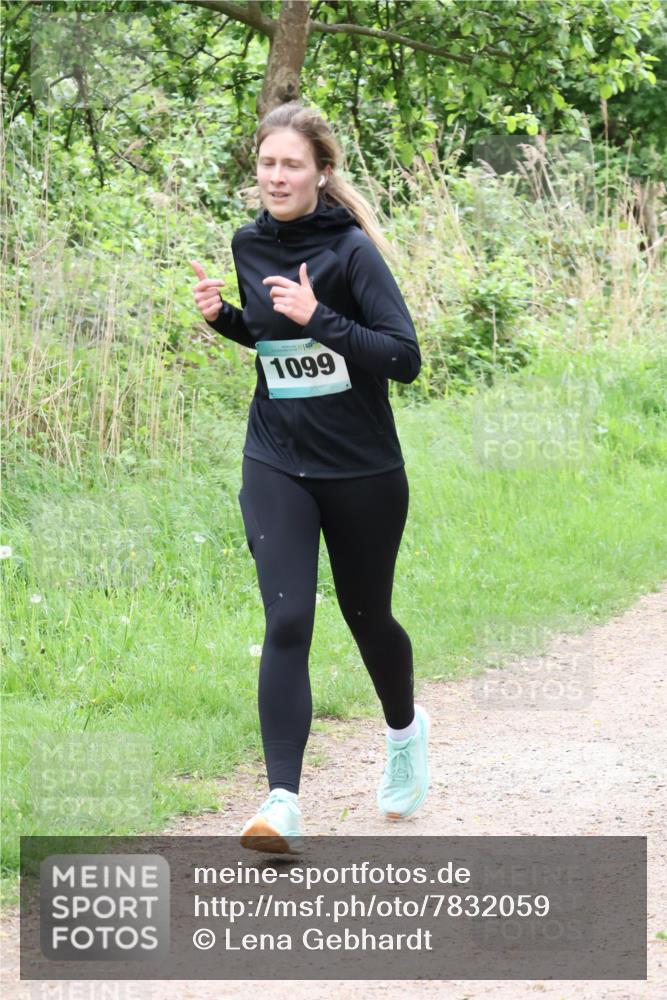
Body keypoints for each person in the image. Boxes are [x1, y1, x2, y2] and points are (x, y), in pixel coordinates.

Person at [190, 101, 430, 856]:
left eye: (291, 164)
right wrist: (225, 318)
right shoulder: (247, 242)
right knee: (287, 619)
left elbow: (403, 358)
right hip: (275, 457)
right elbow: (273, 342)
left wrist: (318, 315)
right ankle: (283, 802)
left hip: (361, 468)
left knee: (367, 616)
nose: (275, 176)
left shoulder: (351, 249)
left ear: (321, 173)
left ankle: (403, 734)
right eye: (266, 163)